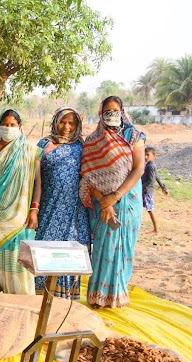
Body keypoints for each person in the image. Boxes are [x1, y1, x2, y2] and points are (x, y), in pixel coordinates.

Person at [79, 96, 146, 308]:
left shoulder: (133, 135)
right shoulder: (92, 140)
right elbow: (88, 175)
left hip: (127, 200)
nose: (111, 115)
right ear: (100, 113)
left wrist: (115, 197)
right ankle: (98, 296)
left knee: (123, 245)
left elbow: (138, 168)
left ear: (122, 112)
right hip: (101, 204)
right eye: (107, 111)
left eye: (115, 111)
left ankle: (117, 294)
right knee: (102, 246)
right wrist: (104, 202)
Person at [0, 109, 42, 294]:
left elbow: (38, 183)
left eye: (13, 125)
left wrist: (34, 210)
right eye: (5, 124)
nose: (8, 128)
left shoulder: (30, 151)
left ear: (20, 127)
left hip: (20, 218)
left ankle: (22, 301)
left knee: (19, 264)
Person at [35, 107, 90, 298]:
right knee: (45, 248)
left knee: (69, 251)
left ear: (77, 125)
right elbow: (33, 178)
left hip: (73, 211)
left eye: (71, 123)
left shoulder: (82, 146)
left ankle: (65, 299)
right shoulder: (43, 144)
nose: (66, 127)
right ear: (55, 121)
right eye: (62, 122)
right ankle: (42, 298)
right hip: (48, 207)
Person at [141, 146, 169, 234]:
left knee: (150, 210)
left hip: (146, 191)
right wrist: (163, 187)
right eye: (144, 155)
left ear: (154, 155)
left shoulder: (150, 166)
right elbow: (157, 177)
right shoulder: (149, 165)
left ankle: (156, 230)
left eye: (147, 155)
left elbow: (151, 180)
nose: (145, 157)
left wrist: (140, 188)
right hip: (146, 190)